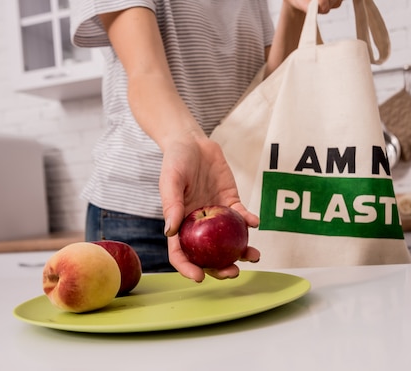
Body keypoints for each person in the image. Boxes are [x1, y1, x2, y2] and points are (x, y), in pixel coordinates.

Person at [70, 0, 342, 283]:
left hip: (231, 209)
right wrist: (188, 143)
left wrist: (293, 7)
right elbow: (145, 72)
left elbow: (269, 90)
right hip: (134, 219)